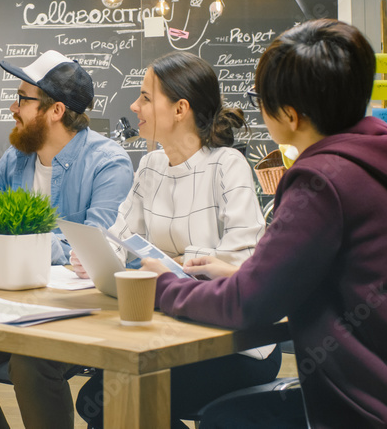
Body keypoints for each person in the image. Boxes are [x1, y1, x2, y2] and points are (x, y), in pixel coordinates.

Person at [143, 19, 387, 428]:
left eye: (260, 97)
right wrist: (241, 274)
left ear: (289, 115)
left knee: (224, 420)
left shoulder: (322, 180)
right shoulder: (377, 156)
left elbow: (246, 305)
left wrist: (160, 285)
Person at [0, 49, 134, 429]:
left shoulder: (108, 162)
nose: (12, 107)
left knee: (31, 360)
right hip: (16, 307)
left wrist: (7, 244)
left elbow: (94, 253)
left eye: (23, 99)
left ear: (56, 110)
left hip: (79, 316)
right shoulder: (15, 157)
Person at [73, 51, 275, 429]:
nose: (134, 106)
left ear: (180, 108)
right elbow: (118, 234)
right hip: (172, 327)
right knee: (98, 399)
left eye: (146, 98)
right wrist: (95, 256)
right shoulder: (150, 165)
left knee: (111, 401)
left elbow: (241, 263)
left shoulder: (227, 164)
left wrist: (171, 265)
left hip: (236, 342)